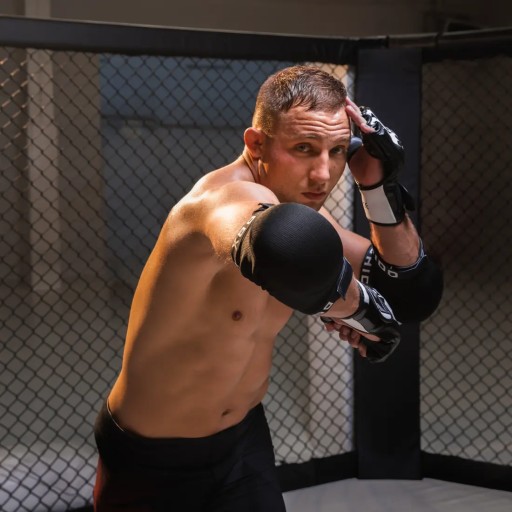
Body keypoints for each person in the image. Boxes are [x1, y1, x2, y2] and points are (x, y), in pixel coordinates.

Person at [93, 65, 443, 511]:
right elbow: (283, 245)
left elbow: (411, 287)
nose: (323, 174)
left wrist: (378, 187)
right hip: (151, 461)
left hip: (242, 444)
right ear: (256, 144)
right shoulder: (219, 201)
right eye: (304, 149)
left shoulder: (301, 209)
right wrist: (360, 308)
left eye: (338, 151)